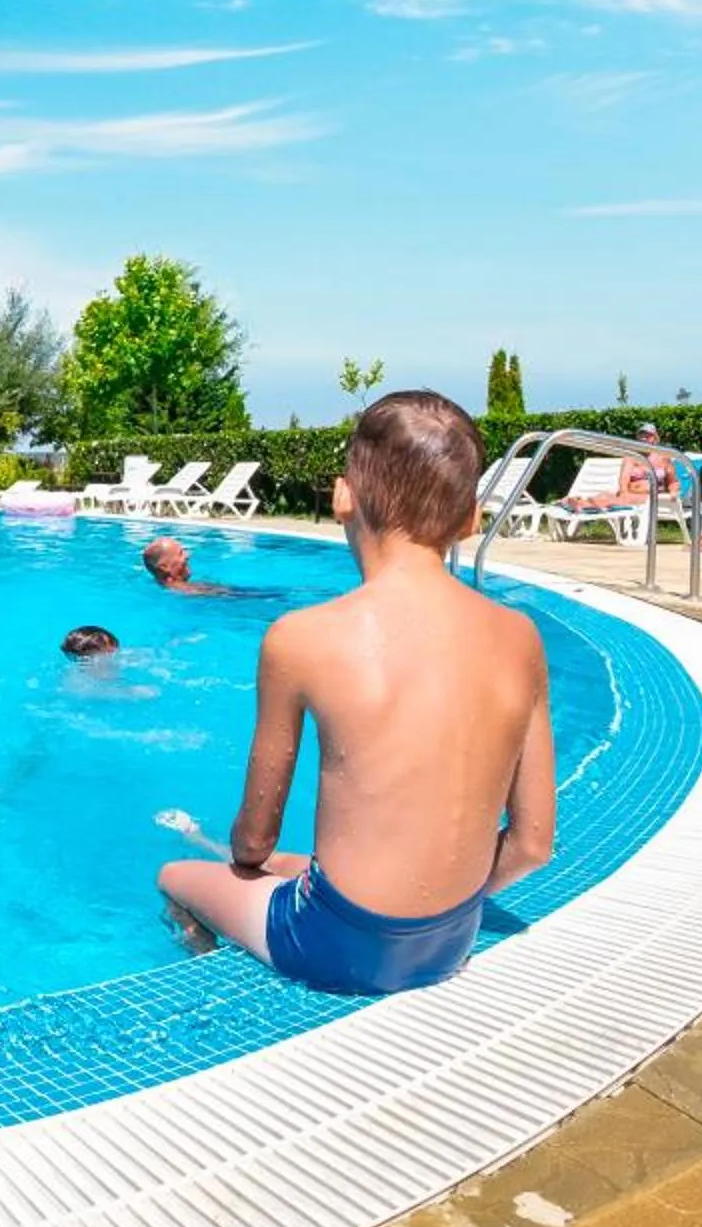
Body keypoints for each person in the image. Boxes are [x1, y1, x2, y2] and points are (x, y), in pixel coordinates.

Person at [157, 390, 554, 995]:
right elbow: (531, 846)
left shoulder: (302, 638)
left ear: (343, 497)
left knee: (178, 875)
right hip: (453, 938)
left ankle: (218, 985)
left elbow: (253, 838)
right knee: (292, 868)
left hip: (336, 948)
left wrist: (245, 864)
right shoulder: (521, 638)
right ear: (472, 519)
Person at [141, 537, 237, 597]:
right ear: (164, 567)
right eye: (180, 553)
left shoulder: (159, 586)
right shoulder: (193, 592)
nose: (187, 555)